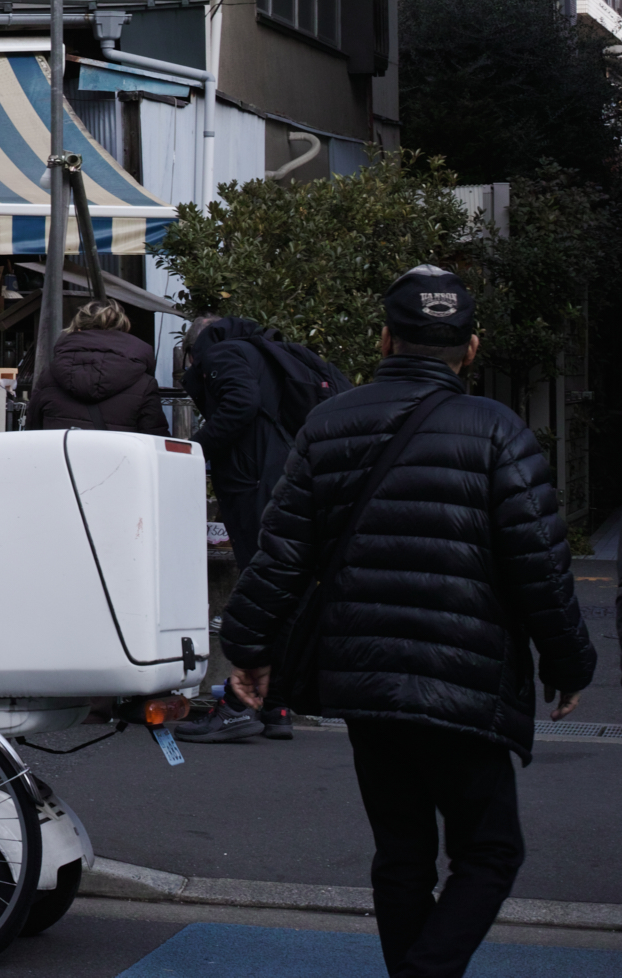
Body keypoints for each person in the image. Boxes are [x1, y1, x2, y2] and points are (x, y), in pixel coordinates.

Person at [218, 266, 595, 978]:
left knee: (402, 852)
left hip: (365, 676)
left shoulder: (329, 423)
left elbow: (282, 553)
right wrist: (569, 662)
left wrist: (248, 647)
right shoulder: (499, 432)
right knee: (490, 849)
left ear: (385, 338)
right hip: (467, 679)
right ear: (472, 347)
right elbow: (541, 566)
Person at [174, 310, 293, 742]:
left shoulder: (222, 355)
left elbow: (239, 405)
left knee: (256, 589)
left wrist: (192, 450)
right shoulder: (260, 351)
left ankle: (243, 704)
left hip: (252, 480)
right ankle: (274, 703)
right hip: (275, 473)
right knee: (273, 587)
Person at [28, 300, 167, 436]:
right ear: (123, 333)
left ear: (78, 330)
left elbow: (33, 431)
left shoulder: (49, 376)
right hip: (120, 458)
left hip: (61, 457)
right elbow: (154, 439)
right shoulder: (143, 383)